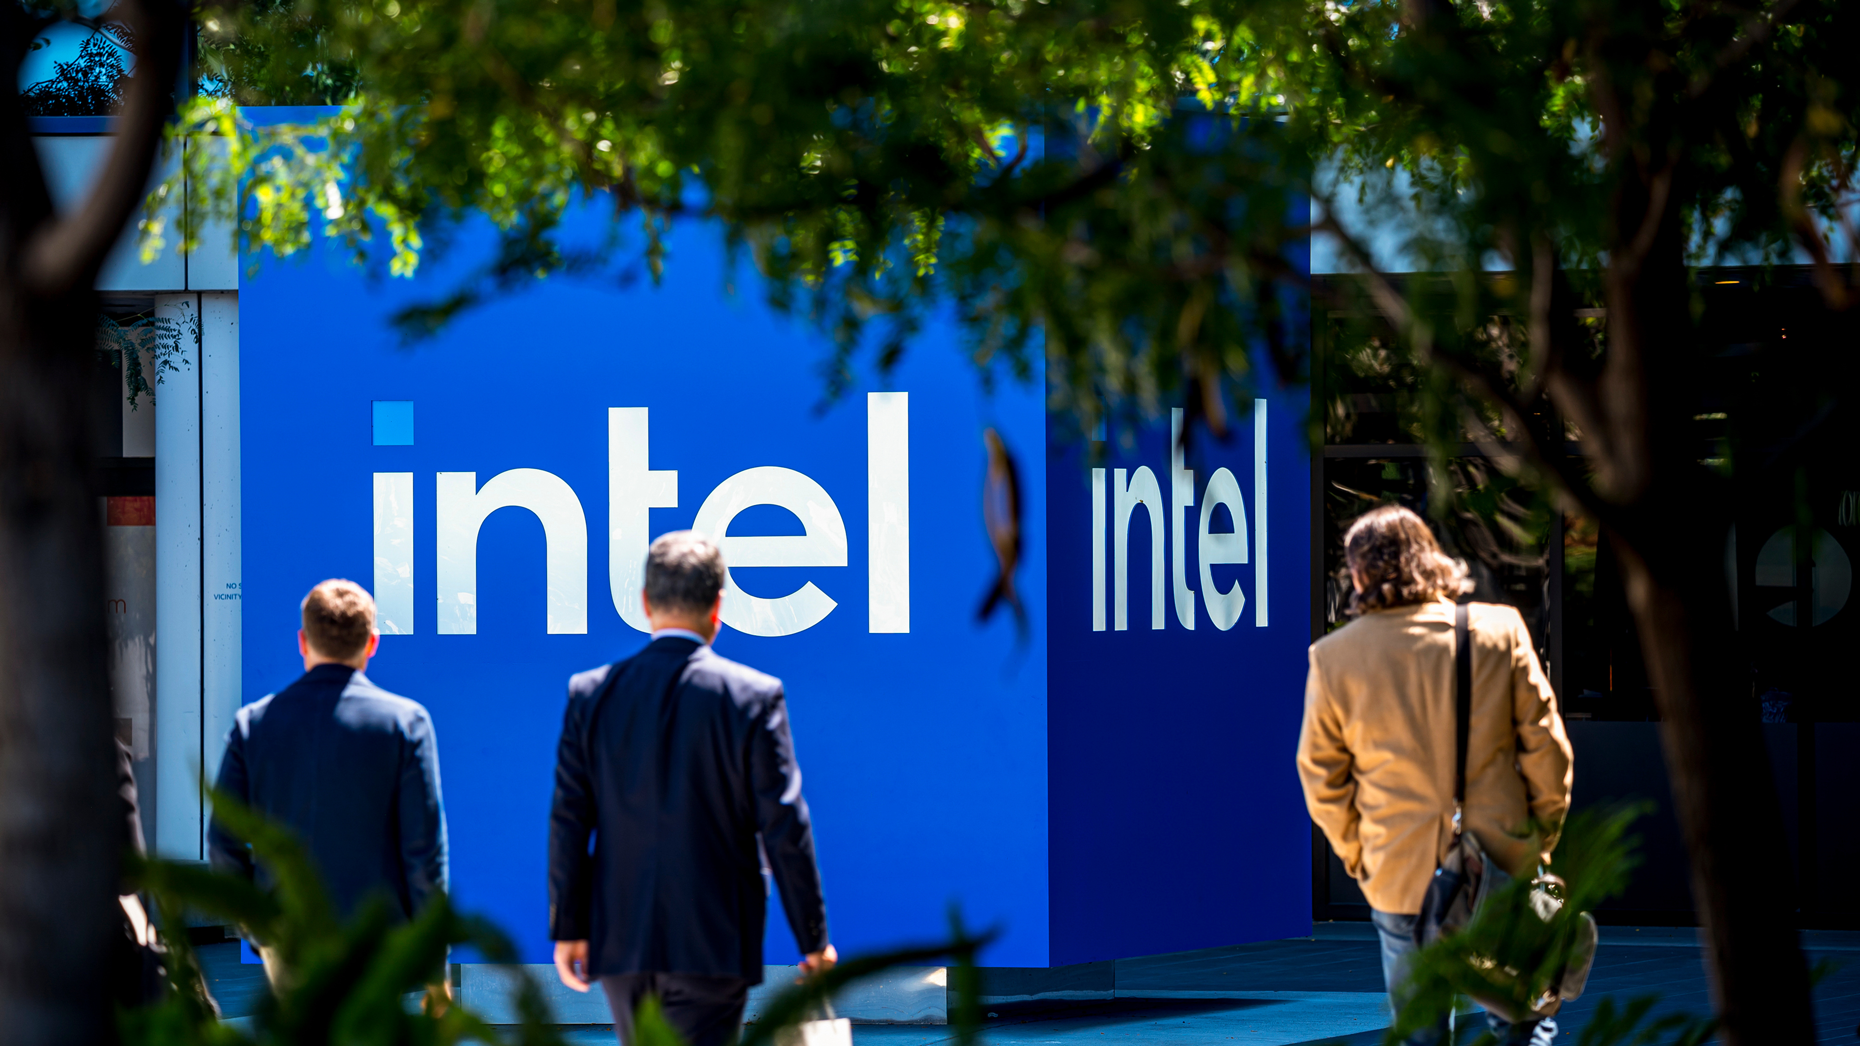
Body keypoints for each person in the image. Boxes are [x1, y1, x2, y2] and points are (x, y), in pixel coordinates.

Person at [1296, 505, 1573, 1046]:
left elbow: (1321, 777)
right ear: (1431, 559)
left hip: (1398, 871)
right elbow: (1547, 749)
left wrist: (1361, 854)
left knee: (1420, 1028)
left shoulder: (1334, 658)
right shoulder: (1498, 631)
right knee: (1520, 1015)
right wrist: (1539, 838)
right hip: (1503, 859)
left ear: (1358, 575)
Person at [548, 531, 834, 1046]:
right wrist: (813, 939)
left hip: (622, 939)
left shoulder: (591, 694)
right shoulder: (753, 697)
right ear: (718, 606)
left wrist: (569, 926)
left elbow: (570, 819)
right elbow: (783, 823)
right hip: (714, 939)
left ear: (644, 604)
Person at [208, 579, 448, 988]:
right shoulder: (406, 724)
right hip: (380, 938)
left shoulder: (253, 725)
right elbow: (423, 853)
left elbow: (222, 842)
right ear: (372, 643)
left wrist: (259, 926)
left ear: (303, 641)